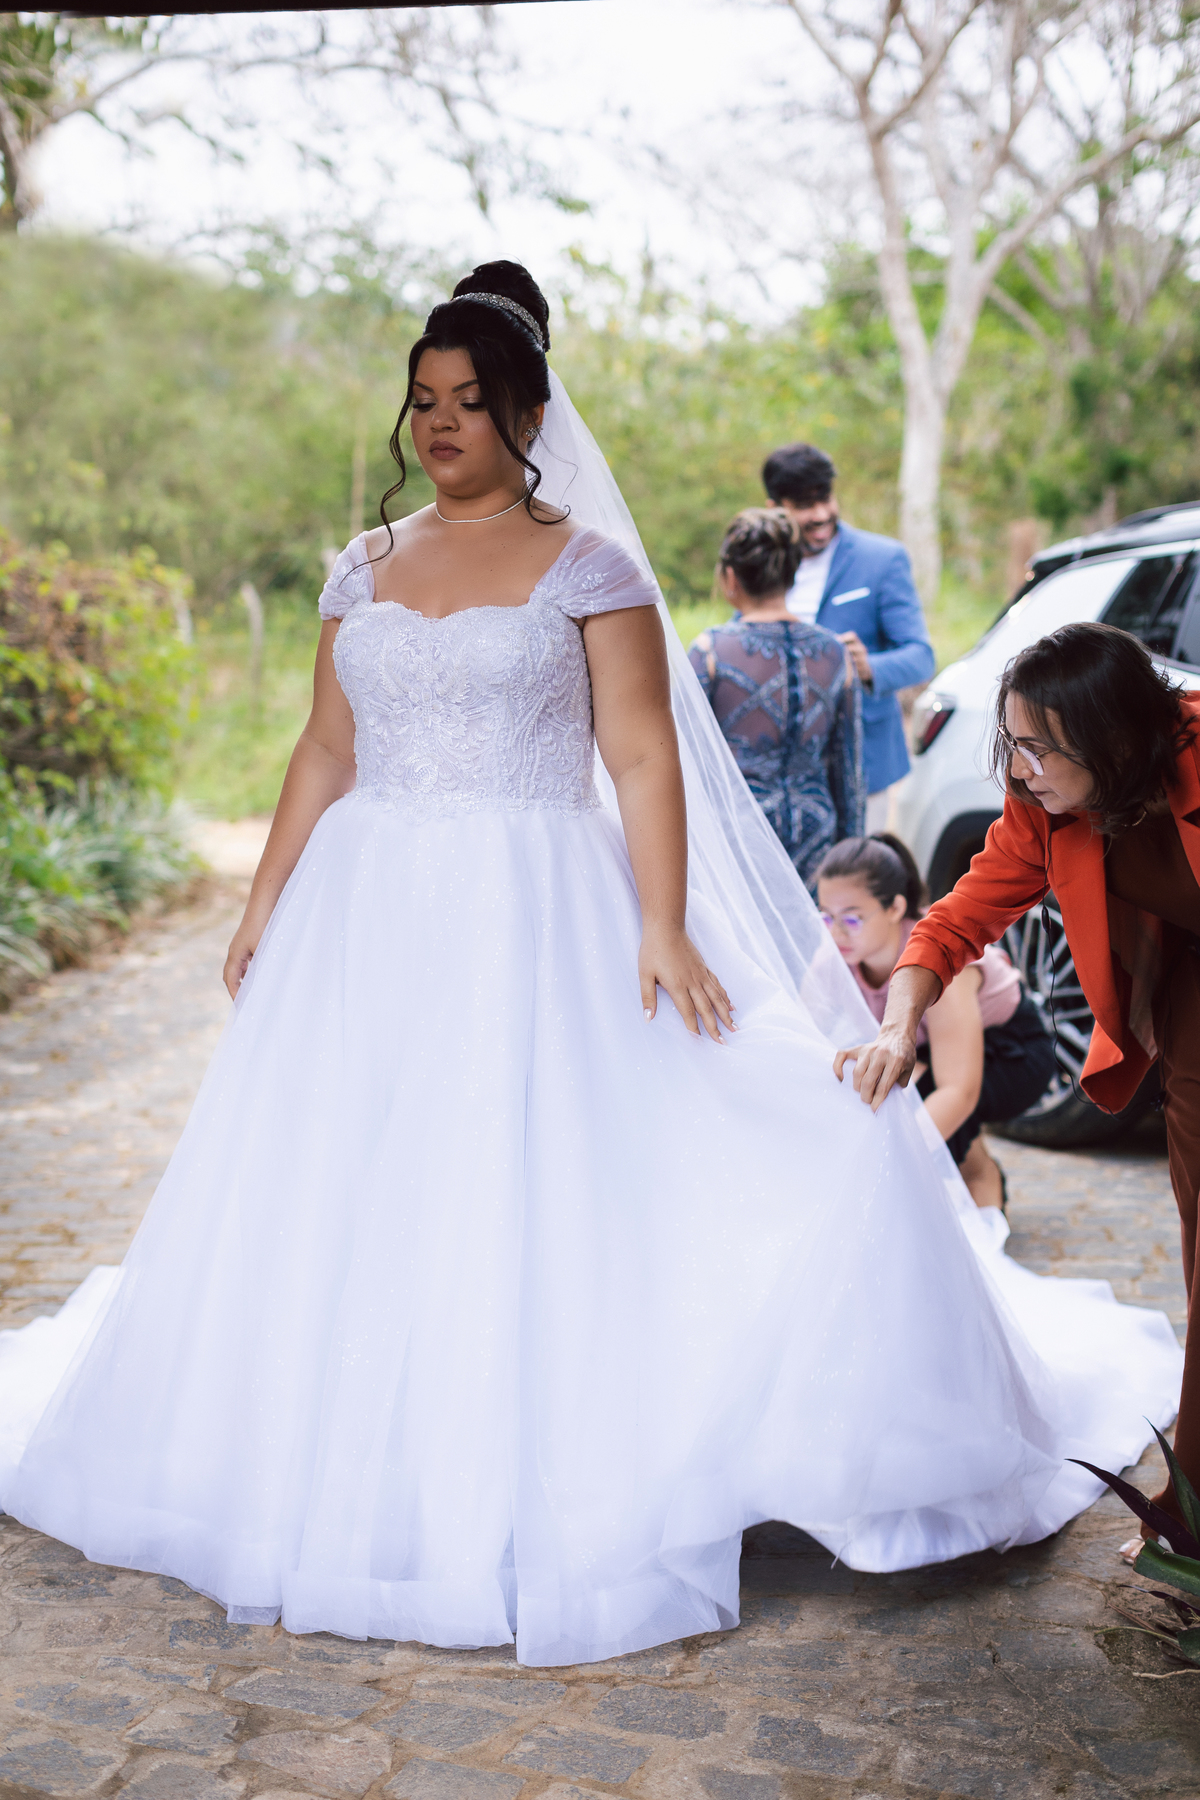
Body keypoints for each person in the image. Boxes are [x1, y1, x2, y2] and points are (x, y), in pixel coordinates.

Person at [0, 266, 1184, 1670]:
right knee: (346, 1163)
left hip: (534, 895)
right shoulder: (360, 566)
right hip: (367, 905)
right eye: (424, 401)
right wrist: (263, 902)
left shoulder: (592, 571)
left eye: (472, 401)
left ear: (529, 413)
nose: (441, 424)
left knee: (542, 1155)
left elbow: (638, 754)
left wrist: (662, 923)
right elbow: (324, 747)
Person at [833, 621, 1200, 1540]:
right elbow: (955, 919)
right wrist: (896, 1023)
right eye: (1011, 743)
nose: (1020, 766)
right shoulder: (1041, 805)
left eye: (1037, 746)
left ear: (1112, 739)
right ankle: (1194, 1505)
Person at [816, 833, 1056, 1210]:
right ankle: (973, 1166)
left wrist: (886, 1160)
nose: (836, 932)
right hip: (930, 1050)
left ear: (895, 908)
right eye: (825, 916)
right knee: (883, 1077)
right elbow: (805, 1030)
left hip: (1015, 1052)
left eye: (851, 919)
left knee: (913, 1091)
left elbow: (958, 1090)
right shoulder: (833, 957)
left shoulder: (932, 958)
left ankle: (980, 1183)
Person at [762, 442, 935, 831]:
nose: (822, 515)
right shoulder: (763, 561)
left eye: (825, 498)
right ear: (776, 507)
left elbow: (921, 656)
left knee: (857, 884)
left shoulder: (882, 559)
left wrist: (866, 666)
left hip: (863, 764)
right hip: (779, 766)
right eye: (805, 505)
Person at [688, 507, 863, 884]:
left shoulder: (711, 652)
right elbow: (849, 772)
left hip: (737, 837)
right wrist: (852, 861)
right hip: (817, 836)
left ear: (730, 576)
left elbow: (687, 761)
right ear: (792, 574)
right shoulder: (835, 653)